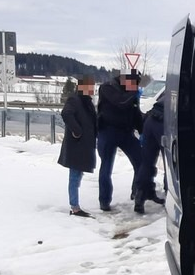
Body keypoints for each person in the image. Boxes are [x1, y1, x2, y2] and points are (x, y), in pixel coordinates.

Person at [95, 71, 144, 211]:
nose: (135, 87)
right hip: (107, 131)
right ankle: (104, 201)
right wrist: (133, 93)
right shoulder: (107, 87)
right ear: (125, 80)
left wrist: (142, 131)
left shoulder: (131, 92)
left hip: (126, 132)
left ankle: (137, 194)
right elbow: (121, 102)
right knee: (106, 166)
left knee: (141, 162)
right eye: (133, 84)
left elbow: (135, 112)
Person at [57, 76, 98, 217]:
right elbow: (66, 113)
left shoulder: (86, 101)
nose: (93, 89)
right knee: (74, 175)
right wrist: (77, 131)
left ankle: (75, 205)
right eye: (90, 87)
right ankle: (74, 207)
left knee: (77, 174)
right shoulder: (74, 100)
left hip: (84, 145)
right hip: (76, 145)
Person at [133, 88, 167, 214]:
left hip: (151, 120)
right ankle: (169, 195)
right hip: (164, 123)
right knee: (170, 163)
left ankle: (140, 196)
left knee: (147, 162)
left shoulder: (171, 88)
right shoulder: (188, 88)